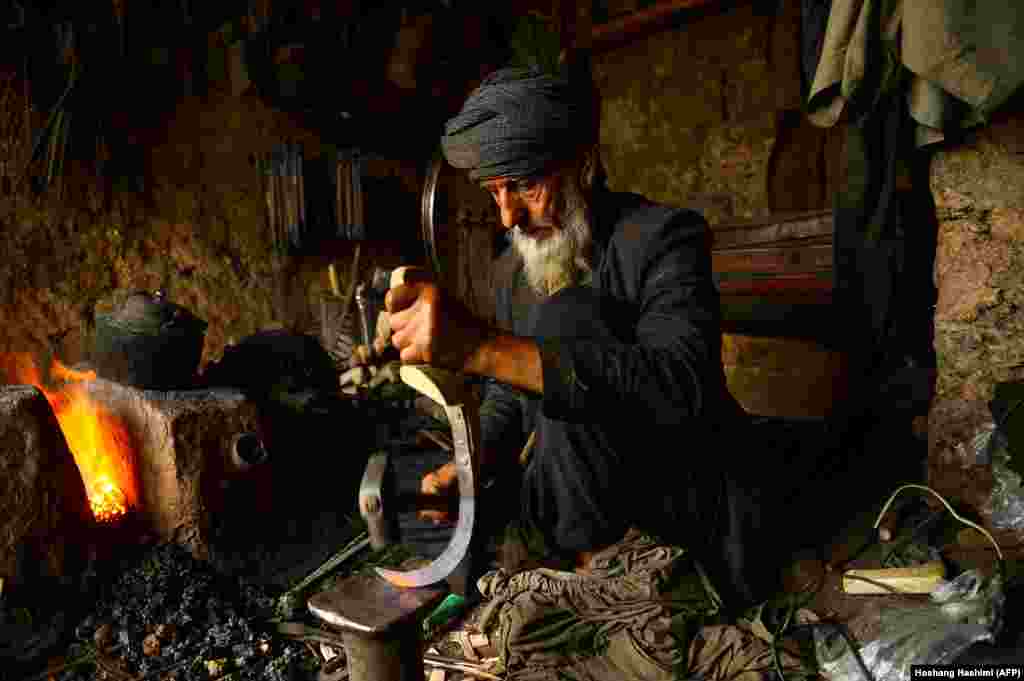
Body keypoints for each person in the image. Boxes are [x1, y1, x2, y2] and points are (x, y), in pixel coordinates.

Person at [385, 65, 785, 606]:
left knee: (566, 318)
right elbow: (510, 392)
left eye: (525, 184)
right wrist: (473, 463)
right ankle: (572, 571)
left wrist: (479, 348)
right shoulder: (511, 270)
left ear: (583, 163)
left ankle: (614, 583)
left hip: (677, 504)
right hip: (568, 513)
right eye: (494, 191)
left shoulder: (665, 238)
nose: (508, 217)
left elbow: (681, 382)